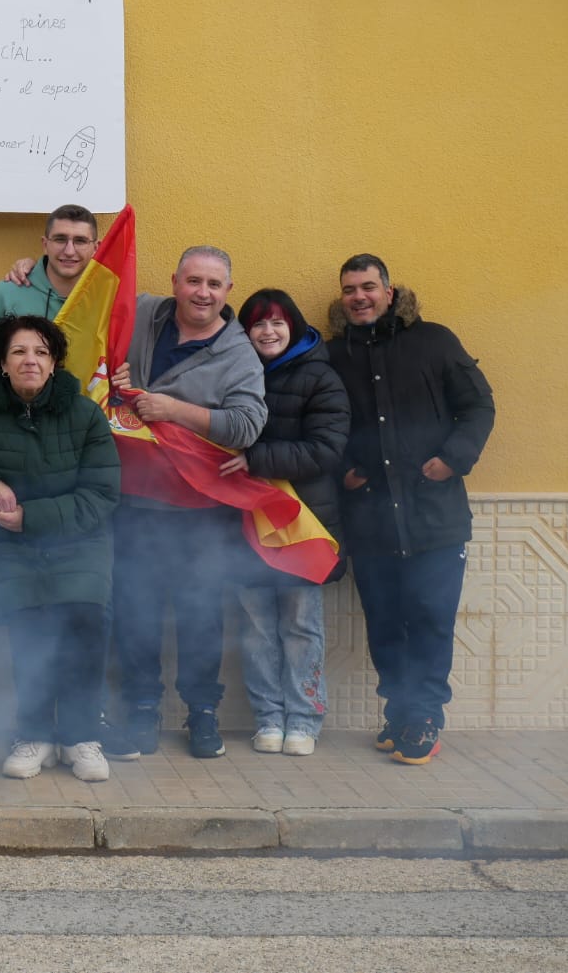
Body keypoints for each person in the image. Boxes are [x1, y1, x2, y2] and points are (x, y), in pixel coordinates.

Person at [0, 315, 120, 782]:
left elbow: (101, 494)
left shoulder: (85, 415)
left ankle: (80, 737)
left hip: (78, 543)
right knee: (31, 630)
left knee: (85, 625)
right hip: (5, 546)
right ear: (1, 362)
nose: (30, 361)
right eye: (18, 352)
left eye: (40, 352)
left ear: (55, 362)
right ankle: (34, 733)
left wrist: (32, 519)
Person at [326, 254, 495, 766]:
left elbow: (479, 405)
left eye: (369, 286)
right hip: (371, 518)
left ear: (389, 290)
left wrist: (452, 459)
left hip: (435, 519)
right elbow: (321, 422)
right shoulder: (335, 355)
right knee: (385, 621)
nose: (360, 296)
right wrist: (344, 471)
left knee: (428, 618)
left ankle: (422, 718)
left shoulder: (435, 341)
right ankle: (402, 713)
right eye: (351, 289)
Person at [104, 246, 267, 760]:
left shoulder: (239, 353)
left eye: (214, 285)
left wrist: (173, 409)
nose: (202, 293)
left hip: (199, 511)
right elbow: (87, 299)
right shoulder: (145, 313)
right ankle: (141, 713)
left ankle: (202, 715)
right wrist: (27, 271)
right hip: (134, 503)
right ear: (174, 281)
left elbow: (246, 426)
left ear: (228, 292)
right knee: (135, 616)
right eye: (194, 281)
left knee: (201, 619)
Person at [220, 289, 350, 758]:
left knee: (300, 625)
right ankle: (268, 719)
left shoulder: (321, 378)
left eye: (277, 322)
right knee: (254, 626)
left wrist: (256, 459)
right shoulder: (234, 372)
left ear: (293, 325)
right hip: (246, 525)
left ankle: (305, 719)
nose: (268, 332)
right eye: (257, 324)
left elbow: (326, 450)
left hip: (302, 524)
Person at [0, 205, 98, 403]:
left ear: (96, 247)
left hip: (80, 426)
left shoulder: (107, 301)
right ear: (45, 244)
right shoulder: (5, 295)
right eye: (60, 239)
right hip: (10, 424)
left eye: (80, 241)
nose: (69, 250)